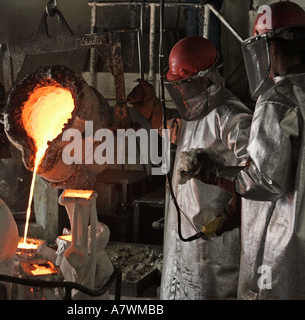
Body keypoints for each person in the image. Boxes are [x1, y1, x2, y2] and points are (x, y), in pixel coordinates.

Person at [181, 2, 305, 299]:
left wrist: (214, 172)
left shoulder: (277, 99)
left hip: (281, 245)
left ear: (270, 48)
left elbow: (265, 181)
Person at [127, 36, 252, 299]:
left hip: (215, 244)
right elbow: (184, 136)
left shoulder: (230, 116)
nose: (181, 93)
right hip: (186, 236)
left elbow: (257, 173)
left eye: (185, 85)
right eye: (177, 87)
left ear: (204, 79)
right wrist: (153, 114)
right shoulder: (195, 110)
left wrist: (231, 215)